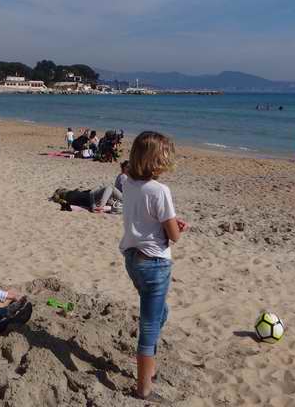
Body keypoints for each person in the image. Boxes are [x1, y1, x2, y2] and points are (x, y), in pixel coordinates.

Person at [119, 131, 188, 401]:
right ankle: (144, 388)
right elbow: (174, 236)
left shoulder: (128, 183)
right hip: (154, 263)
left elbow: (144, 216)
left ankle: (147, 367)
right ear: (156, 161)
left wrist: (167, 222)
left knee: (161, 312)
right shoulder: (160, 191)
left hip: (132, 259)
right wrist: (176, 226)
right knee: (149, 327)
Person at [50, 186, 123, 213]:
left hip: (89, 199)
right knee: (110, 188)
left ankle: (125, 201)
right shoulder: (70, 194)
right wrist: (98, 206)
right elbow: (91, 193)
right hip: (91, 199)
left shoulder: (71, 194)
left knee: (110, 190)